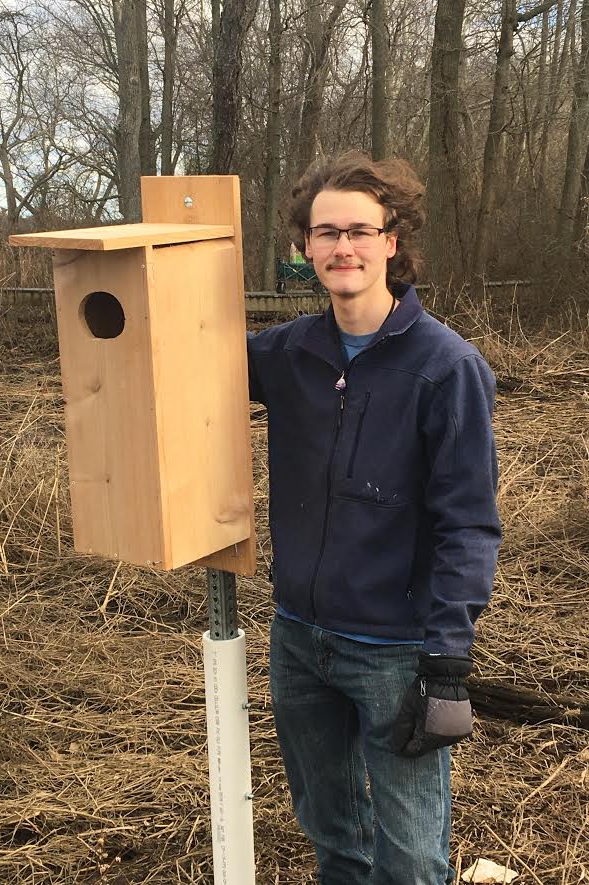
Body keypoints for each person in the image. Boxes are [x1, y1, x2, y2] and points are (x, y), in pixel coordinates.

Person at [247, 152, 501, 885]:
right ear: (305, 248)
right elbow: (185, 358)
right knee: (333, 832)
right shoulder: (288, 352)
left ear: (393, 240)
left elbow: (468, 522)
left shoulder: (445, 367)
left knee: (413, 857)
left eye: (360, 229)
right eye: (325, 232)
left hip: (396, 649)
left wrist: (448, 663)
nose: (342, 247)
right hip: (298, 636)